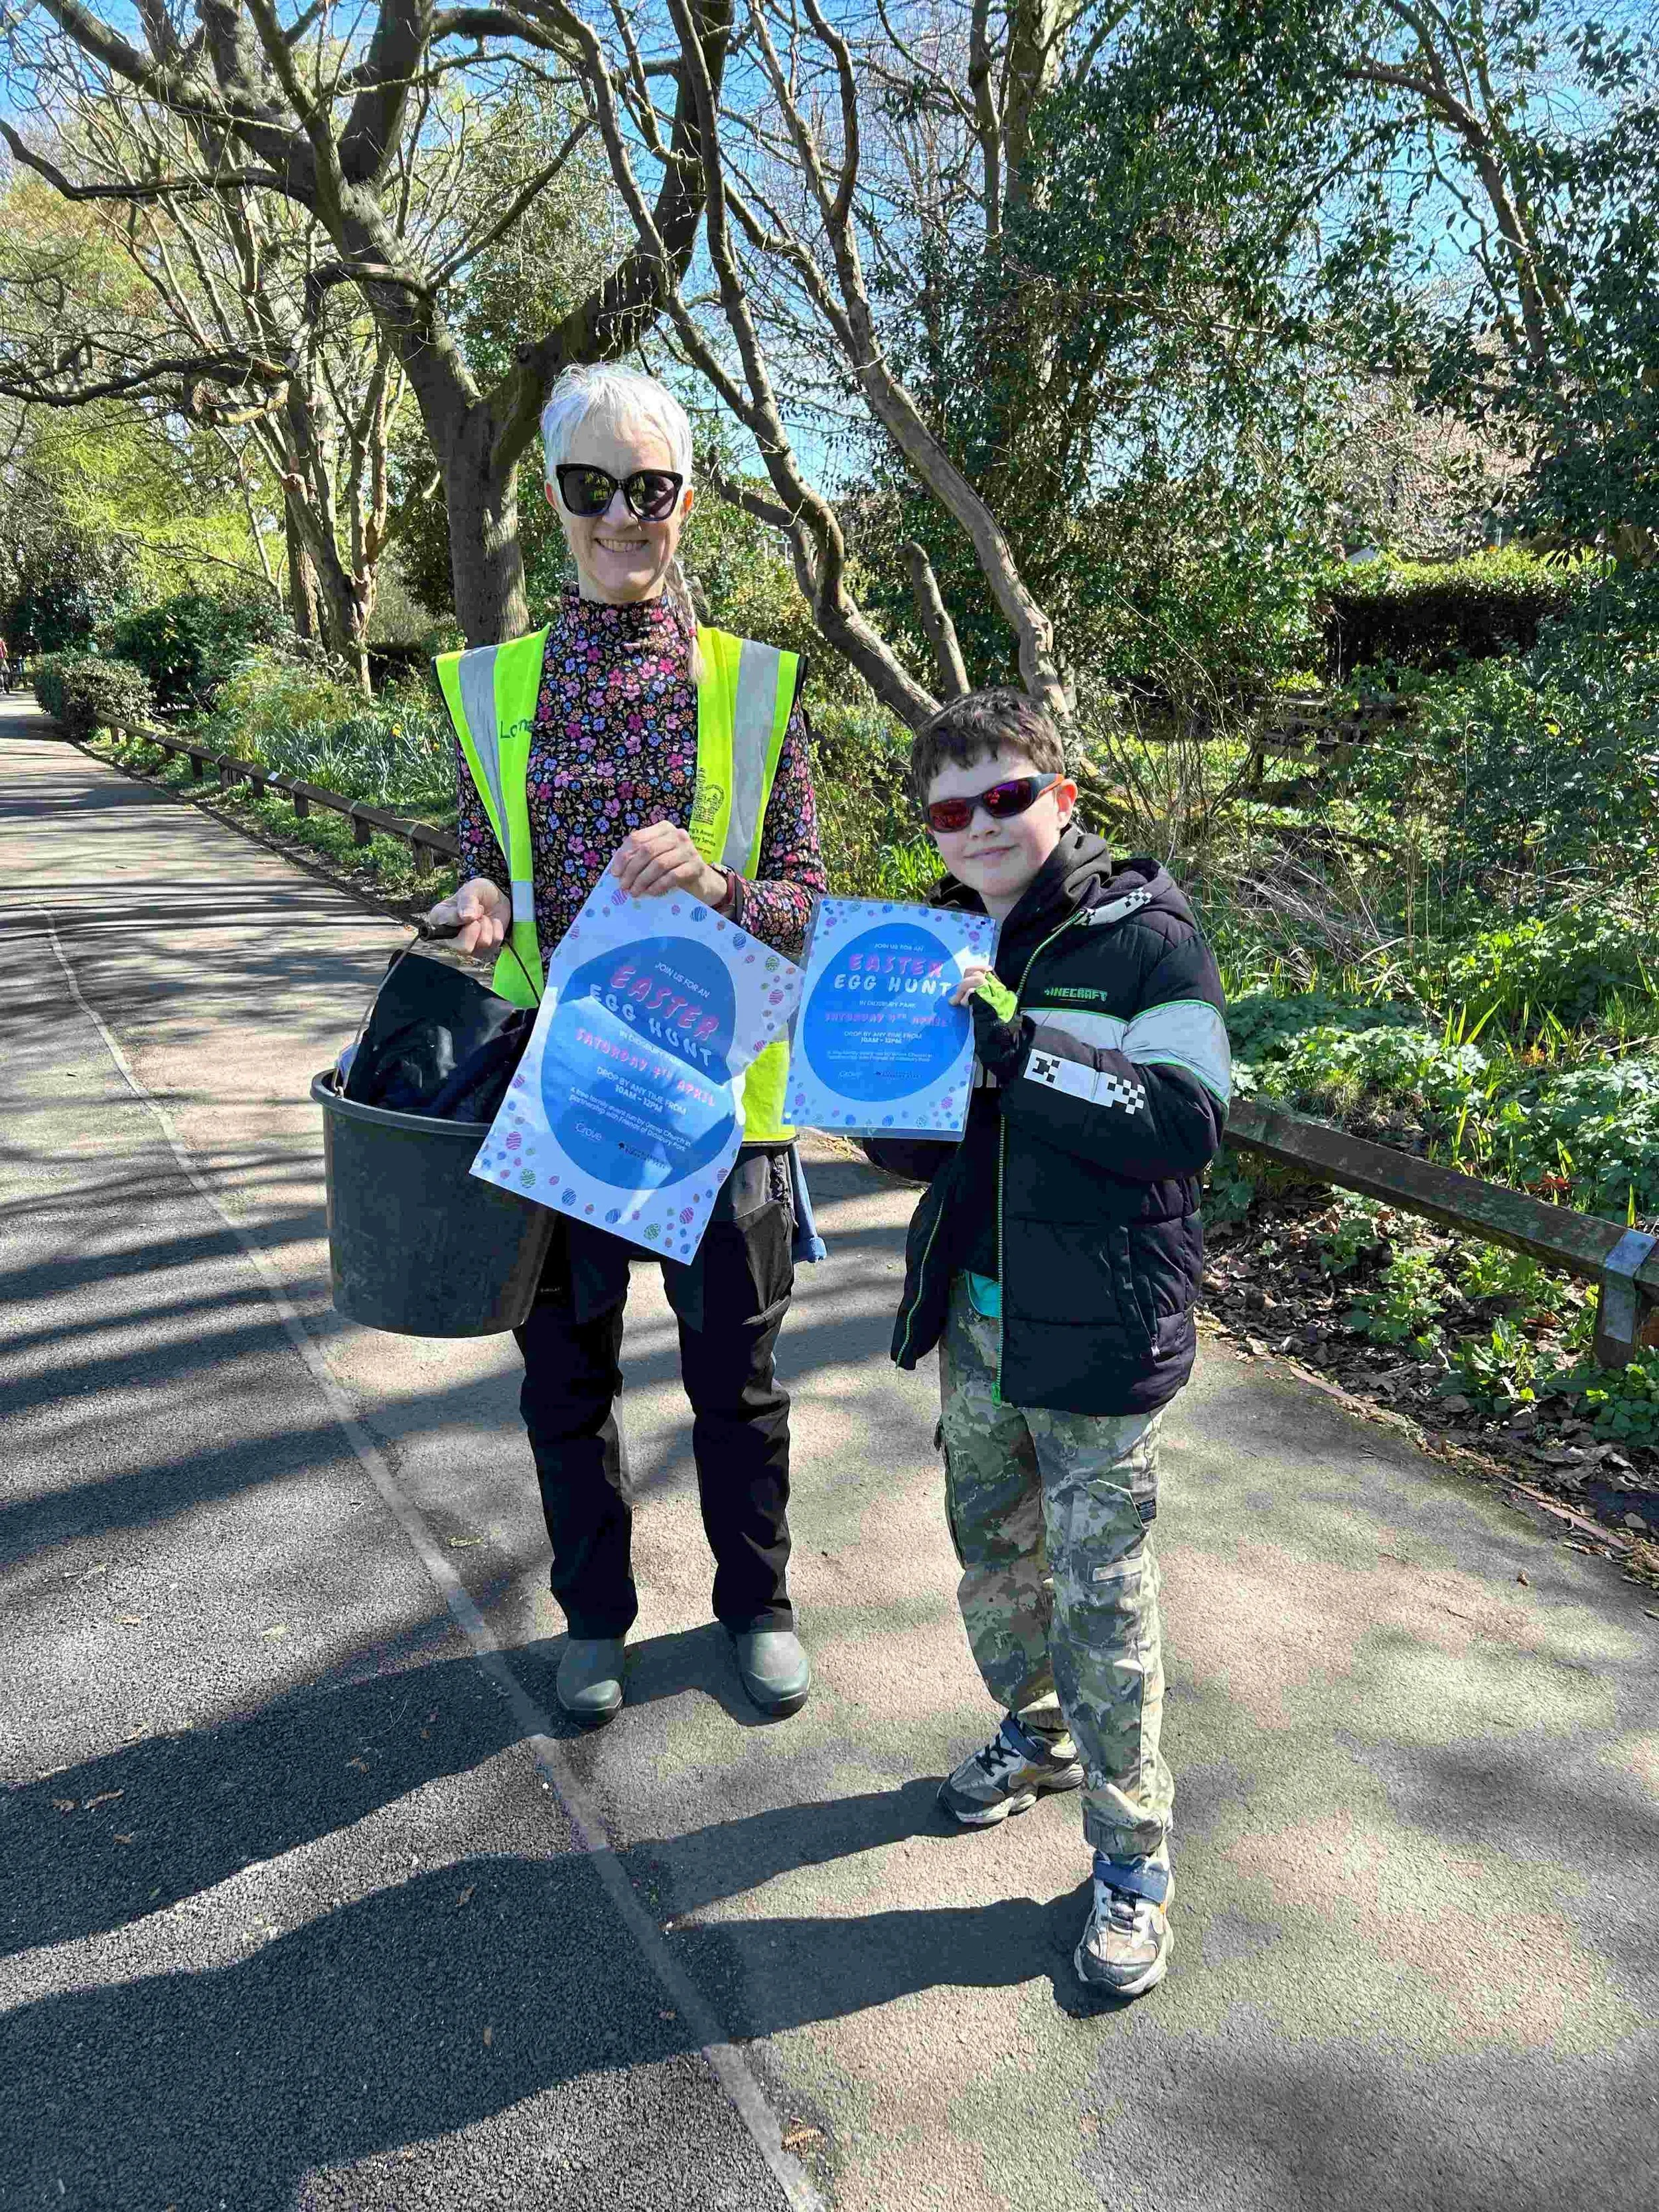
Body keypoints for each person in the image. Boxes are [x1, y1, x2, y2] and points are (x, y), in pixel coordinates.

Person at [423, 364, 826, 1728]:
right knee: (565, 1382)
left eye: (645, 489)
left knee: (737, 1383)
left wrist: (718, 883)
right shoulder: (495, 689)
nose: (619, 517)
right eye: (590, 488)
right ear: (552, 498)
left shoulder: (758, 687)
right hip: (561, 1094)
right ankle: (594, 1616)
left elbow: (805, 910)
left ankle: (756, 1603)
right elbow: (486, 862)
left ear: (684, 500)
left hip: (720, 1104)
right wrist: (478, 899)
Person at [865, 688, 1228, 1998]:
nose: (976, 826)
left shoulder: (1144, 935)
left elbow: (1184, 1117)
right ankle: (1030, 1737)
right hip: (973, 1314)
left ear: (1059, 799)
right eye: (948, 809)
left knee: (1104, 1600)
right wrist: (866, 1089)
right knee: (989, 1548)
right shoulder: (922, 938)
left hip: (1099, 1329)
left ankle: (1131, 1866)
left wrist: (1019, 1050)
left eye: (1004, 796)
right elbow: (919, 1141)